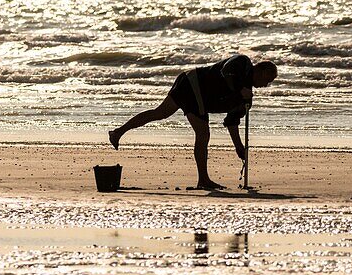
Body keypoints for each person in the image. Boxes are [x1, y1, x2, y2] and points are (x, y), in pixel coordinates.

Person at [109, 55, 277, 190]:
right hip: (193, 84)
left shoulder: (246, 99)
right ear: (261, 71)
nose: (266, 85)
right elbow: (227, 71)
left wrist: (238, 146)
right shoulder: (243, 62)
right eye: (267, 80)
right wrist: (241, 89)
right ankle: (203, 180)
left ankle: (118, 132)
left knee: (160, 113)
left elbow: (232, 121)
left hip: (193, 90)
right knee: (202, 133)